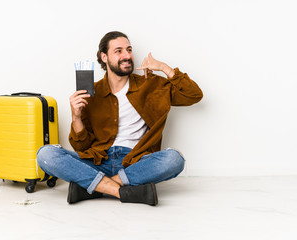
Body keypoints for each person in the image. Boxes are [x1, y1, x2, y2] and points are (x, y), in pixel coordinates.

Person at [37, 31, 203, 206]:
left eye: (129, 50)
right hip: (98, 161)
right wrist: (76, 117)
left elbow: (193, 95)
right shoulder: (91, 92)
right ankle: (122, 191)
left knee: (174, 159)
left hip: (136, 162)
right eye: (118, 51)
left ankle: (95, 187)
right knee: (45, 154)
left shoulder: (151, 85)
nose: (127, 56)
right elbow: (82, 146)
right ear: (104, 57)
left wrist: (164, 67)